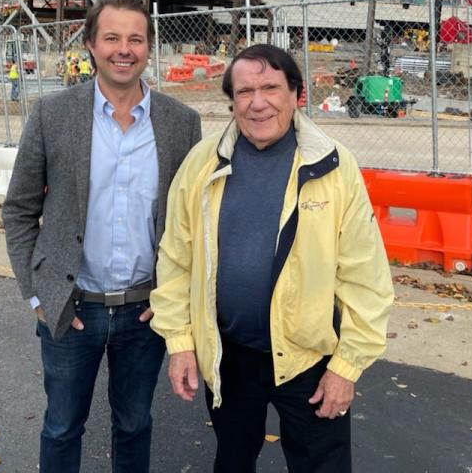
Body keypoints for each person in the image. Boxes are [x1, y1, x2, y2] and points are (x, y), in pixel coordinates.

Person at [150, 44, 394, 473]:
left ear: (296, 94)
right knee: (233, 459)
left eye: (270, 88)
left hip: (311, 361)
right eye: (245, 91)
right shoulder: (202, 164)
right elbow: (176, 259)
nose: (257, 102)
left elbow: (365, 276)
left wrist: (348, 367)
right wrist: (181, 343)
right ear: (231, 101)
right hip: (230, 354)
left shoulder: (333, 167)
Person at [3, 0, 202, 473]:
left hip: (144, 313)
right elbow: (19, 210)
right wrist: (37, 293)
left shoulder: (181, 123)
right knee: (62, 426)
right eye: (111, 37)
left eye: (135, 39)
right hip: (71, 308)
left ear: (149, 48)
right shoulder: (53, 115)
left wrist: (176, 296)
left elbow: (195, 223)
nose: (123, 49)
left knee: (134, 425)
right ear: (90, 44)